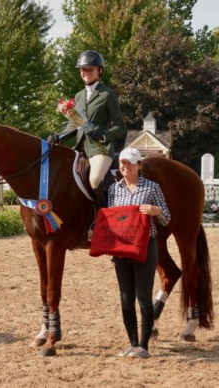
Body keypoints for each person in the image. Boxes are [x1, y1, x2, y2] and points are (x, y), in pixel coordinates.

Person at [108, 147, 171, 358]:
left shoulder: (152, 187)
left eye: (129, 163)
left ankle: (144, 346)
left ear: (139, 165)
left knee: (144, 298)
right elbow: (112, 219)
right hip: (121, 249)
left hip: (145, 246)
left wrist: (156, 211)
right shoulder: (114, 190)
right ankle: (133, 343)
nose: (125, 167)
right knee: (126, 298)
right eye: (122, 163)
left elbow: (167, 217)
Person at [49, 50, 127, 209]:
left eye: (90, 69)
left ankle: (103, 214)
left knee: (94, 179)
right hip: (80, 147)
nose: (86, 72)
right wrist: (59, 136)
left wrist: (104, 135)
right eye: (83, 69)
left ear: (100, 71)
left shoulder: (107, 94)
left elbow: (121, 126)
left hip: (100, 148)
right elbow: (75, 124)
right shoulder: (78, 96)